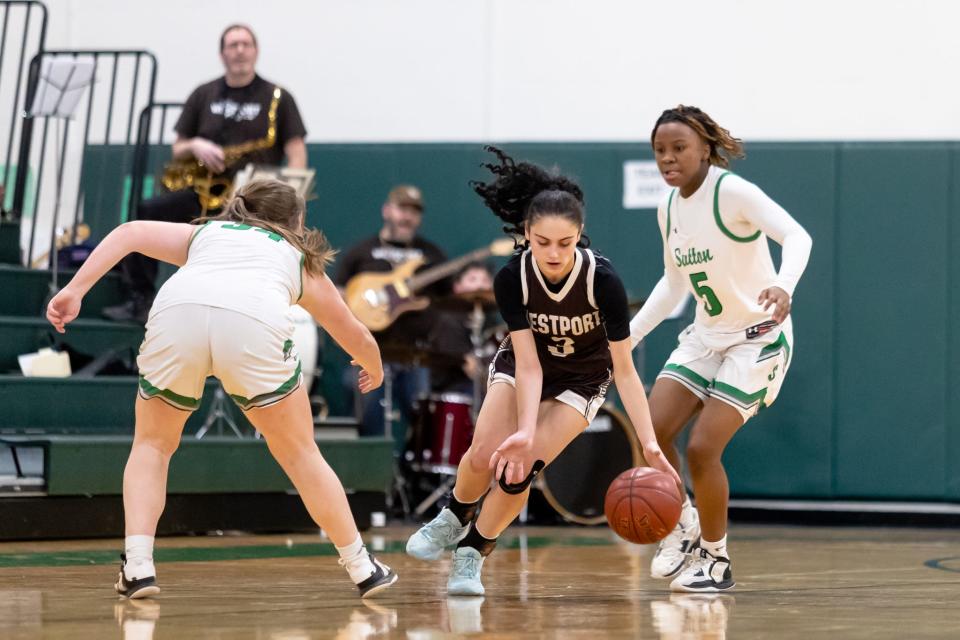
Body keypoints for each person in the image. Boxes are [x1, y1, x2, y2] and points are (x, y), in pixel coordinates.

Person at [46, 180, 397, 599]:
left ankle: (138, 567)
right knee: (301, 454)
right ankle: (362, 567)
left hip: (179, 313)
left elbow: (129, 233)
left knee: (152, 446)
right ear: (296, 221)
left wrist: (74, 290)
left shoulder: (204, 234)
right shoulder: (299, 259)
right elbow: (356, 334)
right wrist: (373, 368)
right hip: (252, 323)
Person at [405, 147, 681, 596]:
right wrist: (525, 426)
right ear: (526, 235)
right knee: (482, 456)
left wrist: (649, 444)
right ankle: (454, 514)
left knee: (519, 470)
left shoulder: (603, 282)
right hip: (524, 365)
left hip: (582, 379)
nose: (554, 253)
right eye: (543, 242)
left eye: (566, 243)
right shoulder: (512, 278)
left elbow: (625, 372)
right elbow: (530, 365)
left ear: (581, 236)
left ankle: (471, 554)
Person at [630, 105, 813, 593]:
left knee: (703, 448)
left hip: (758, 337)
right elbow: (673, 285)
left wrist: (785, 285)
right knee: (650, 430)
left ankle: (715, 558)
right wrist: (628, 337)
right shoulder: (667, 207)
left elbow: (797, 235)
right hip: (707, 335)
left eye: (678, 149)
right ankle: (680, 522)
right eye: (659, 152)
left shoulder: (732, 191)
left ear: (705, 149)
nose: (668, 159)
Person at [103, 23, 307, 323]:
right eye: (232, 45)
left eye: (245, 44)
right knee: (148, 211)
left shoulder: (279, 97)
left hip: (254, 199)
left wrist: (290, 200)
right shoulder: (203, 93)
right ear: (222, 53)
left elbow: (296, 151)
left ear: (256, 51)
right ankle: (140, 298)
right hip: (205, 193)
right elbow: (178, 148)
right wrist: (196, 144)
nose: (239, 51)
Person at [334, 185, 448, 437]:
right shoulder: (360, 252)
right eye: (402, 208)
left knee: (425, 426)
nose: (407, 216)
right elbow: (335, 294)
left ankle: (413, 476)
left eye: (414, 211)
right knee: (364, 417)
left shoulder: (431, 255)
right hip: (366, 354)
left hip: (415, 355)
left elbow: (450, 300)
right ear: (387, 210)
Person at [426, 261, 496, 395]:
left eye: (485, 280)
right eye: (472, 279)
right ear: (457, 287)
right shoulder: (448, 320)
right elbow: (471, 368)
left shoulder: (490, 319)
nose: (480, 286)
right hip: (455, 390)